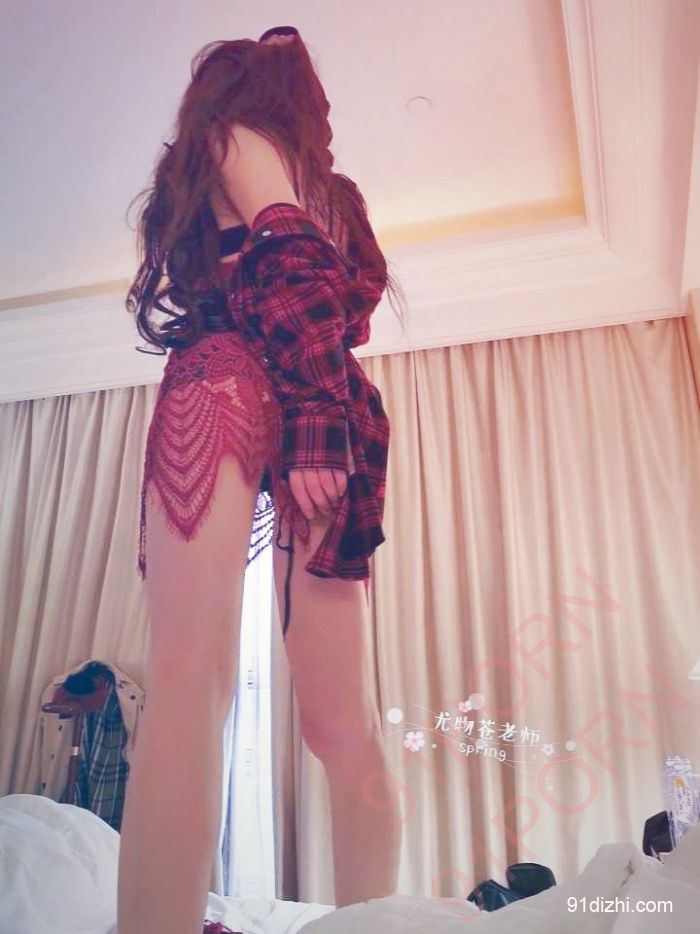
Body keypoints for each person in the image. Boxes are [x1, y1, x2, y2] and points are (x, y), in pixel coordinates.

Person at [117, 25, 406, 934]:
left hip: (240, 380)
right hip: (318, 400)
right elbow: (313, 273)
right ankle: (373, 921)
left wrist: (312, 418)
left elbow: (287, 256)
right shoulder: (325, 188)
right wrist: (320, 416)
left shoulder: (232, 142)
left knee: (192, 679)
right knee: (343, 724)